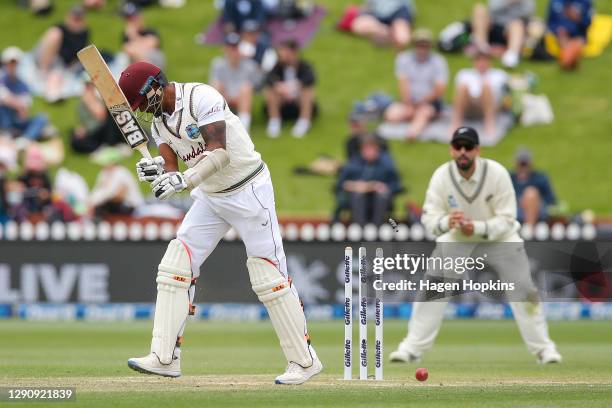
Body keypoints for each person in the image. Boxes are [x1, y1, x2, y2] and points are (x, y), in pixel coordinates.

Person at [118, 61, 322, 384]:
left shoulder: (202, 97)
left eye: (142, 101)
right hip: (210, 196)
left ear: (155, 86)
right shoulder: (159, 126)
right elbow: (172, 169)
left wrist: (185, 182)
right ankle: (164, 357)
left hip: (248, 189)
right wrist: (159, 173)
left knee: (268, 274)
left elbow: (220, 153)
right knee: (177, 263)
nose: (141, 109)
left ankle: (304, 361)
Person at [388, 126, 562, 365]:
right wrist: (447, 221)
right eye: (458, 146)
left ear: (477, 150)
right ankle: (411, 348)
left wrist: (477, 228)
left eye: (468, 147)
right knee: (431, 290)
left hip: (500, 239)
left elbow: (508, 219)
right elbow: (429, 219)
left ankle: (544, 350)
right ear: (451, 150)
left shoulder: (497, 173)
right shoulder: (442, 176)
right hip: (457, 238)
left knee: (524, 291)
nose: (463, 152)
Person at [384, 29, 449, 141]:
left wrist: (421, 102)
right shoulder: (404, 59)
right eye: (419, 45)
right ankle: (412, 115)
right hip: (410, 100)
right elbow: (403, 83)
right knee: (391, 115)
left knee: (423, 113)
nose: (422, 49)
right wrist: (408, 104)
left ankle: (412, 133)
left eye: (425, 45)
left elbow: (439, 89)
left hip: (430, 101)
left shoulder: (438, 61)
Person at [336, 135, 402, 226]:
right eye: (366, 149)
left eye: (372, 149)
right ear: (361, 150)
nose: (369, 152)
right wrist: (355, 186)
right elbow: (340, 183)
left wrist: (384, 187)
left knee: (382, 195)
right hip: (358, 198)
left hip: (379, 199)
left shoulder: (386, 164)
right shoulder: (353, 164)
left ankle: (377, 227)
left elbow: (396, 184)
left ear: (377, 150)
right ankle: (360, 227)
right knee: (358, 195)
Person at [35, 5, 90, 102]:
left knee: (57, 73)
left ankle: (53, 93)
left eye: (78, 19)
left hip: (63, 64)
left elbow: (78, 55)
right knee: (55, 35)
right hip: (48, 58)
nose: (76, 21)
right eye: (74, 18)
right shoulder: (59, 29)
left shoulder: (83, 34)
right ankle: (43, 72)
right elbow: (47, 45)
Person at [264, 39, 316, 138]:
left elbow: (310, 78)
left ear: (294, 52)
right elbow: (269, 79)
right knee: (270, 91)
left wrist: (295, 87)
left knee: (308, 91)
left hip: (298, 101)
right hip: (282, 102)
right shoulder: (277, 66)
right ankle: (274, 121)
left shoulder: (304, 66)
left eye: (285, 51)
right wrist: (279, 87)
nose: (282, 54)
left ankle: (304, 122)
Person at [450, 50, 508, 138]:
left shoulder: (499, 75)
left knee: (486, 86)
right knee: (463, 86)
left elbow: (505, 95)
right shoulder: (464, 74)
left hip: (490, 108)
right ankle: (455, 122)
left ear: (490, 61)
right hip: (469, 107)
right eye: (479, 60)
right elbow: (457, 96)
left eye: (485, 60)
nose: (482, 63)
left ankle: (489, 123)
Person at [209, 32, 259, 130]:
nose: (233, 51)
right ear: (225, 49)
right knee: (216, 85)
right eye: (230, 48)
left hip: (241, 98)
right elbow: (213, 85)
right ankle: (217, 124)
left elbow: (256, 86)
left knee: (246, 88)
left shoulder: (250, 65)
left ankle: (244, 128)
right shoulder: (218, 64)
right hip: (224, 98)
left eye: (235, 48)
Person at [0, 47, 49, 146]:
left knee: (42, 118)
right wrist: (17, 104)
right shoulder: (2, 79)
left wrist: (15, 103)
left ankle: (24, 140)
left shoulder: (23, 84)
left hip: (18, 121)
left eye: (15, 64)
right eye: (10, 64)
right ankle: (12, 135)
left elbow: (25, 107)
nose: (12, 67)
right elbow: (5, 98)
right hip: (5, 122)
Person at [471, 0, 536, 68]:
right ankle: (482, 48)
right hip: (494, 26)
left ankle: (511, 55)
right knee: (479, 9)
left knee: (517, 24)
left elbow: (529, 13)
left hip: (512, 31)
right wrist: (508, 2)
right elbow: (492, 8)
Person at [70, 76, 125, 154]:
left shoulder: (100, 99)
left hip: (107, 129)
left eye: (90, 85)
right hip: (93, 133)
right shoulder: (81, 105)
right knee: (74, 139)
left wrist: (90, 102)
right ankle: (102, 148)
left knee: (113, 113)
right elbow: (83, 123)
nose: (88, 88)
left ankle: (111, 145)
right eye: (86, 86)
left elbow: (102, 116)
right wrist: (81, 130)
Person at [88, 148, 144, 219]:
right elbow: (98, 189)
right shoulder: (104, 173)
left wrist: (94, 203)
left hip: (130, 205)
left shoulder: (121, 173)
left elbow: (111, 193)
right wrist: (90, 201)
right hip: (115, 203)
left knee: (102, 208)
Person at [510, 148, 556, 226]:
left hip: (538, 210)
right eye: (521, 164)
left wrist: (533, 201)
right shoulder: (510, 178)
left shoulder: (540, 178)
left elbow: (551, 201)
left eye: (525, 164)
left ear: (530, 164)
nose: (523, 167)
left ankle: (529, 229)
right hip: (515, 210)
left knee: (531, 194)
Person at [547, 0, 593, 70]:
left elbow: (587, 24)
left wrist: (578, 18)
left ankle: (569, 58)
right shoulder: (555, 2)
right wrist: (557, 29)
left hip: (577, 36)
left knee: (575, 46)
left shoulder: (585, 2)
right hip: (558, 35)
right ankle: (569, 58)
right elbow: (549, 22)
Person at [121, 2, 166, 68]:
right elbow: (127, 50)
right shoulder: (126, 36)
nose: (132, 21)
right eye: (128, 19)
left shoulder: (150, 31)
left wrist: (133, 35)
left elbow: (152, 44)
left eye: (133, 18)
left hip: (154, 63)